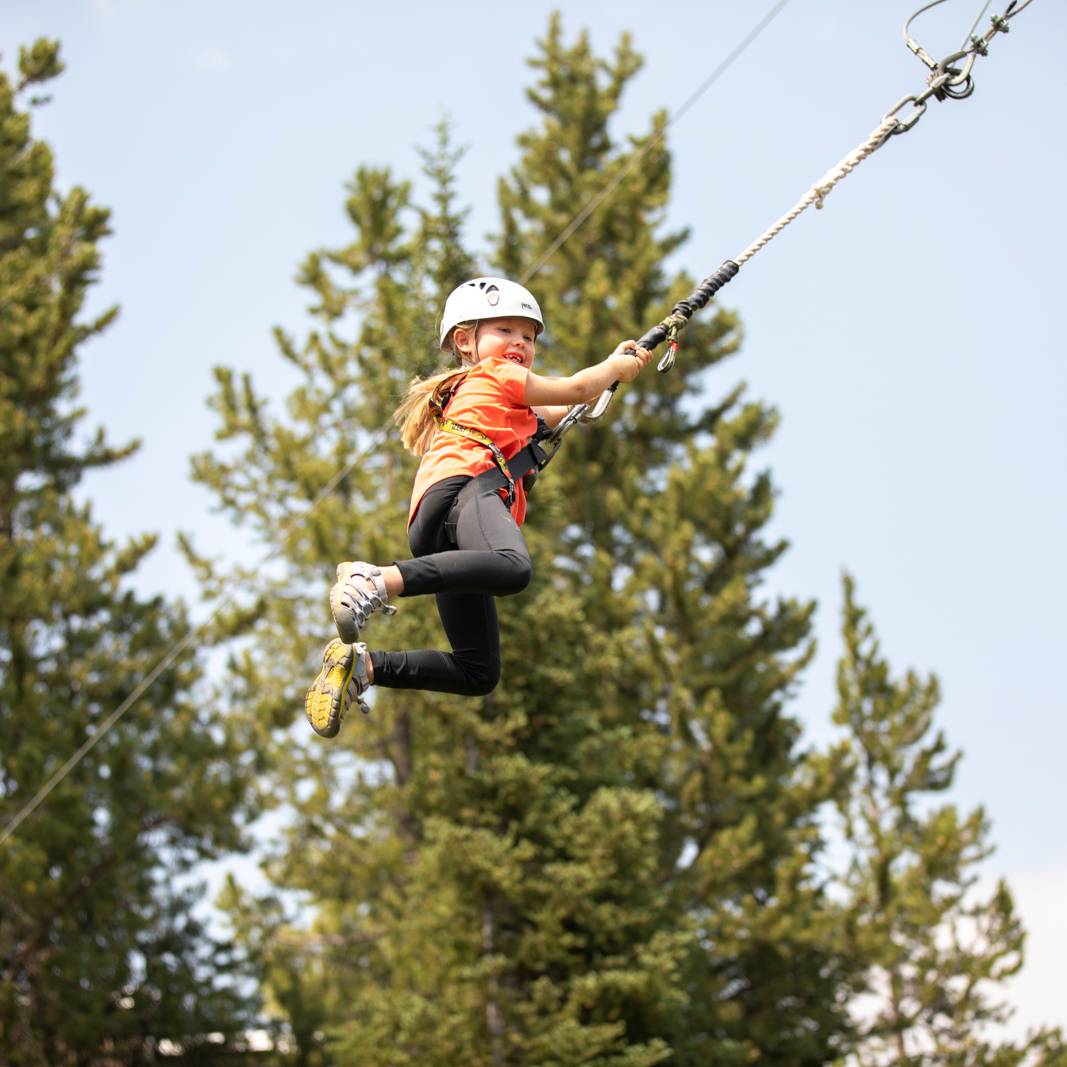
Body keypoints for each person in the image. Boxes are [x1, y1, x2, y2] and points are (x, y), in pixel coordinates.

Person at [304, 276, 652, 738]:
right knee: (512, 567)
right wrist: (612, 367)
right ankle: (377, 580)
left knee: (478, 671)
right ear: (465, 341)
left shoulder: (490, 398)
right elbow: (572, 390)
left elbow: (570, 406)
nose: (519, 344)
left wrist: (616, 368)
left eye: (528, 337)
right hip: (466, 492)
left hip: (443, 520)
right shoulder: (495, 375)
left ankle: (363, 667)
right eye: (506, 331)